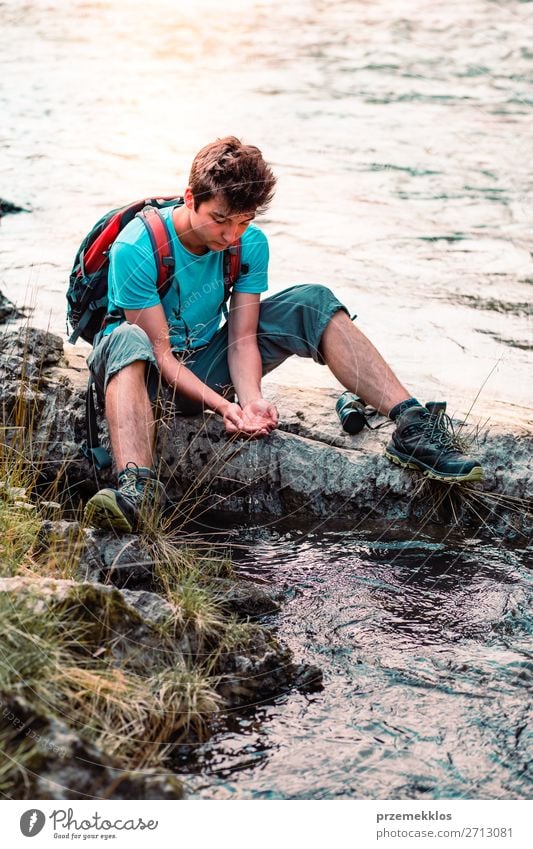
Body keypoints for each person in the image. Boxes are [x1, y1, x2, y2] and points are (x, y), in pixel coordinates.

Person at [83, 136, 483, 533]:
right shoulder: (137, 247)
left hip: (202, 366)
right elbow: (163, 356)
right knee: (128, 340)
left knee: (312, 301)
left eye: (243, 221)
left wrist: (252, 401)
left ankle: (412, 424)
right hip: (143, 375)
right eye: (220, 219)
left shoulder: (247, 244)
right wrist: (224, 409)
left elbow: (242, 339)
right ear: (190, 198)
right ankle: (138, 490)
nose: (230, 235)